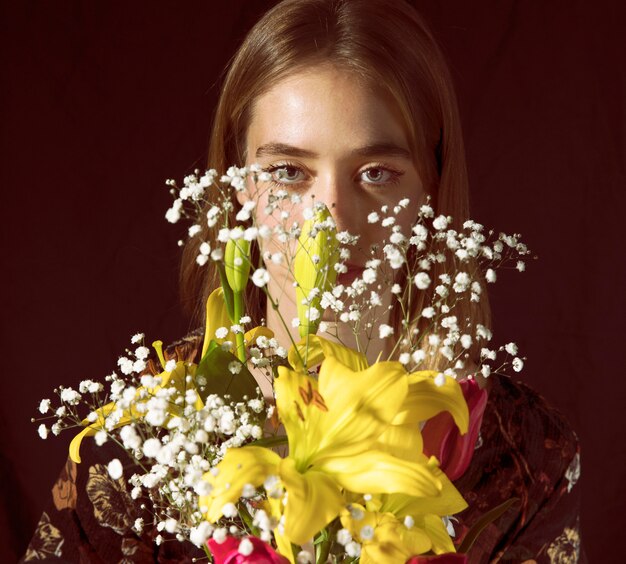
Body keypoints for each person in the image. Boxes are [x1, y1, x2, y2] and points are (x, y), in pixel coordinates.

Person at [23, 0, 584, 562]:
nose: (332, 222)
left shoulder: (524, 456)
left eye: (376, 174)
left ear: (431, 190)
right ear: (239, 186)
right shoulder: (140, 442)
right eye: (289, 173)